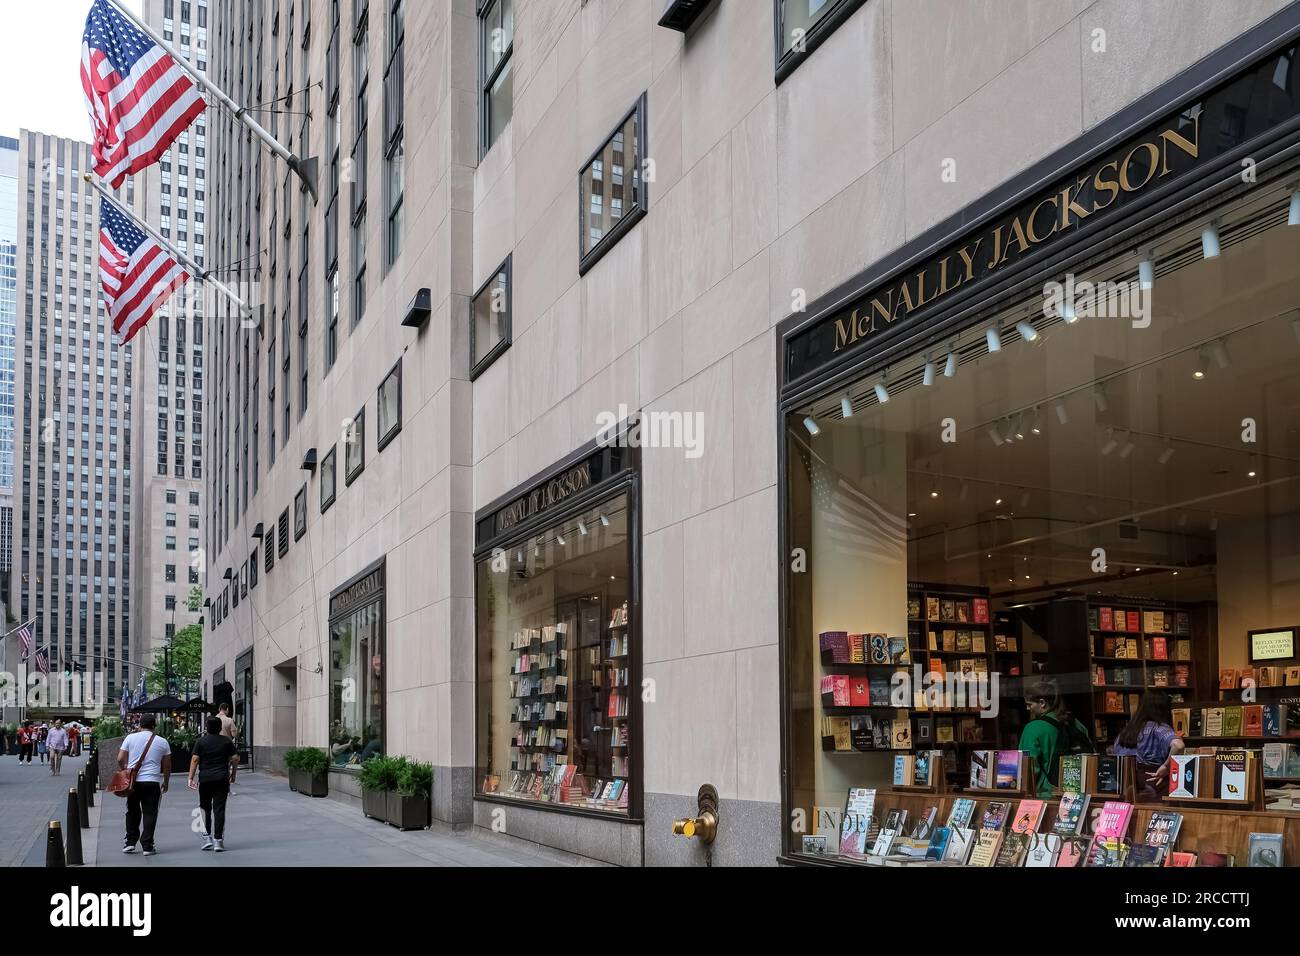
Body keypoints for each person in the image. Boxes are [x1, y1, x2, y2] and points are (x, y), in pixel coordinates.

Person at [1020, 678, 1093, 797]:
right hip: (1078, 795)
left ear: (1042, 703)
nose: (1028, 709)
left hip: (1045, 795)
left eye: (1029, 704)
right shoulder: (1076, 723)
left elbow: (1029, 768)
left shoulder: (1032, 728)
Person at [1113, 690, 1185, 800]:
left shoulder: (1126, 731)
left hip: (1125, 785)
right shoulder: (1160, 728)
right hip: (1154, 784)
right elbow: (1178, 745)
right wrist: (1166, 766)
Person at [116, 714, 172, 856]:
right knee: (150, 813)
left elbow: (120, 758)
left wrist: (126, 770)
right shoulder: (163, 742)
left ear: (140, 725)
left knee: (132, 811)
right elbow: (167, 766)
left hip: (134, 782)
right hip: (152, 781)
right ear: (154, 726)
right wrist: (165, 782)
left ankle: (130, 842)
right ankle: (147, 845)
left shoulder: (130, 738)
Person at [188, 716, 239, 851]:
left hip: (205, 779)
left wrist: (190, 778)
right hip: (222, 778)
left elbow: (195, 759)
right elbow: (235, 758)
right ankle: (218, 841)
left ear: (207, 727)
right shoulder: (226, 741)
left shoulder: (201, 741)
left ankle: (207, 838)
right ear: (219, 727)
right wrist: (233, 774)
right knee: (219, 809)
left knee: (205, 808)